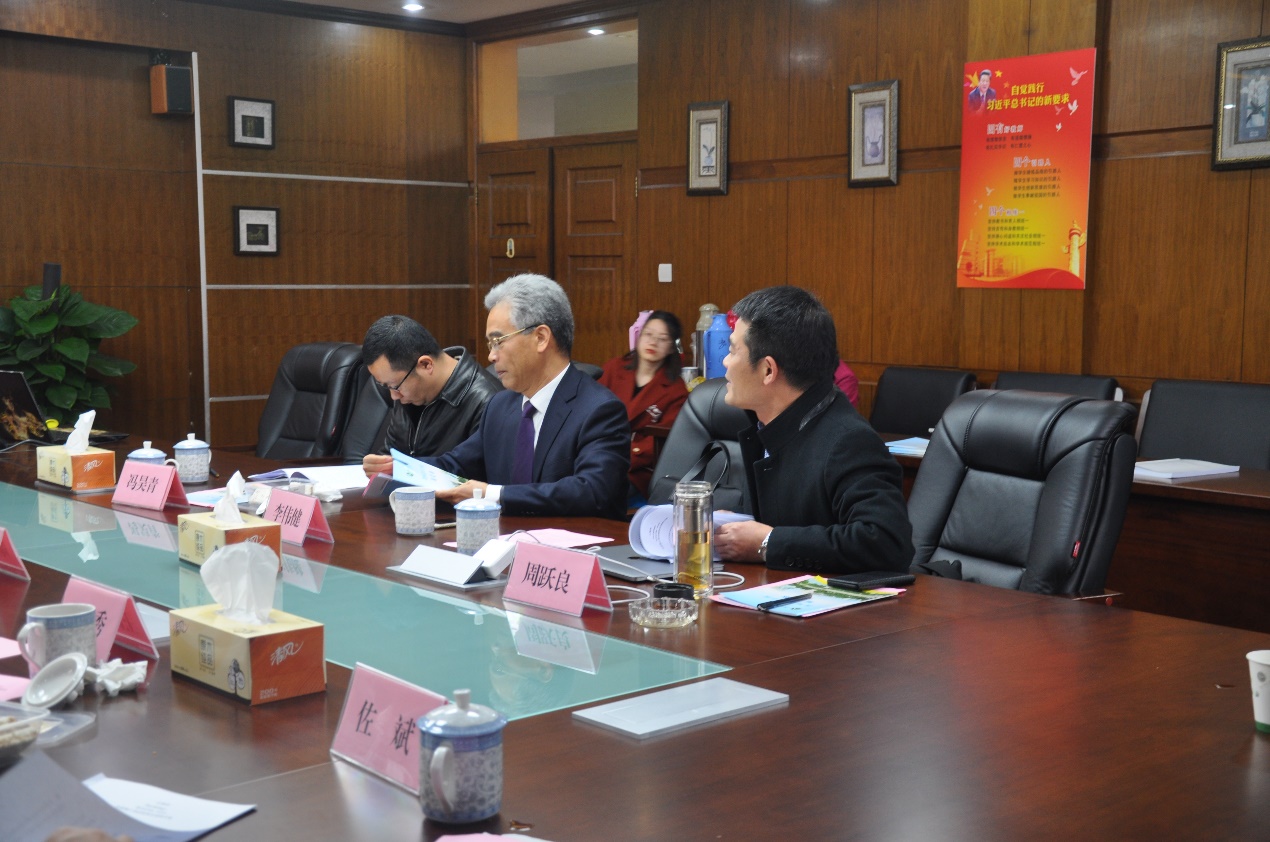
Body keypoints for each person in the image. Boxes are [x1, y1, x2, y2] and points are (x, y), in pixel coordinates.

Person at [713, 286, 913, 574]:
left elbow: (885, 542)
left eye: (733, 350)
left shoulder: (849, 441)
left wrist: (768, 542)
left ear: (768, 370)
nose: (725, 361)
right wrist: (737, 527)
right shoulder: (768, 425)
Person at [424, 274, 630, 519]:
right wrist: (397, 469)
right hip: (501, 538)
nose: (491, 356)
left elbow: (592, 491)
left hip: (572, 540)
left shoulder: (599, 410)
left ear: (540, 338)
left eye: (498, 341)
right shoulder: (500, 405)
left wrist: (494, 495)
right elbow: (455, 466)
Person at [360, 315, 502, 478]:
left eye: (394, 386)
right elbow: (391, 454)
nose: (394, 396)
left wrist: (403, 469)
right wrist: (379, 466)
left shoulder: (489, 402)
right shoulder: (406, 391)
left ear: (426, 364)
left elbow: (475, 478)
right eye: (386, 387)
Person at [598, 310, 689, 499]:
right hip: (597, 451)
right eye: (648, 334)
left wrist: (617, 458)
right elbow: (590, 413)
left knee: (600, 489)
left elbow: (663, 441)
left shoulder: (676, 390)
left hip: (636, 469)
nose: (653, 342)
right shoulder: (614, 368)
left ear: (671, 347)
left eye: (662, 339)